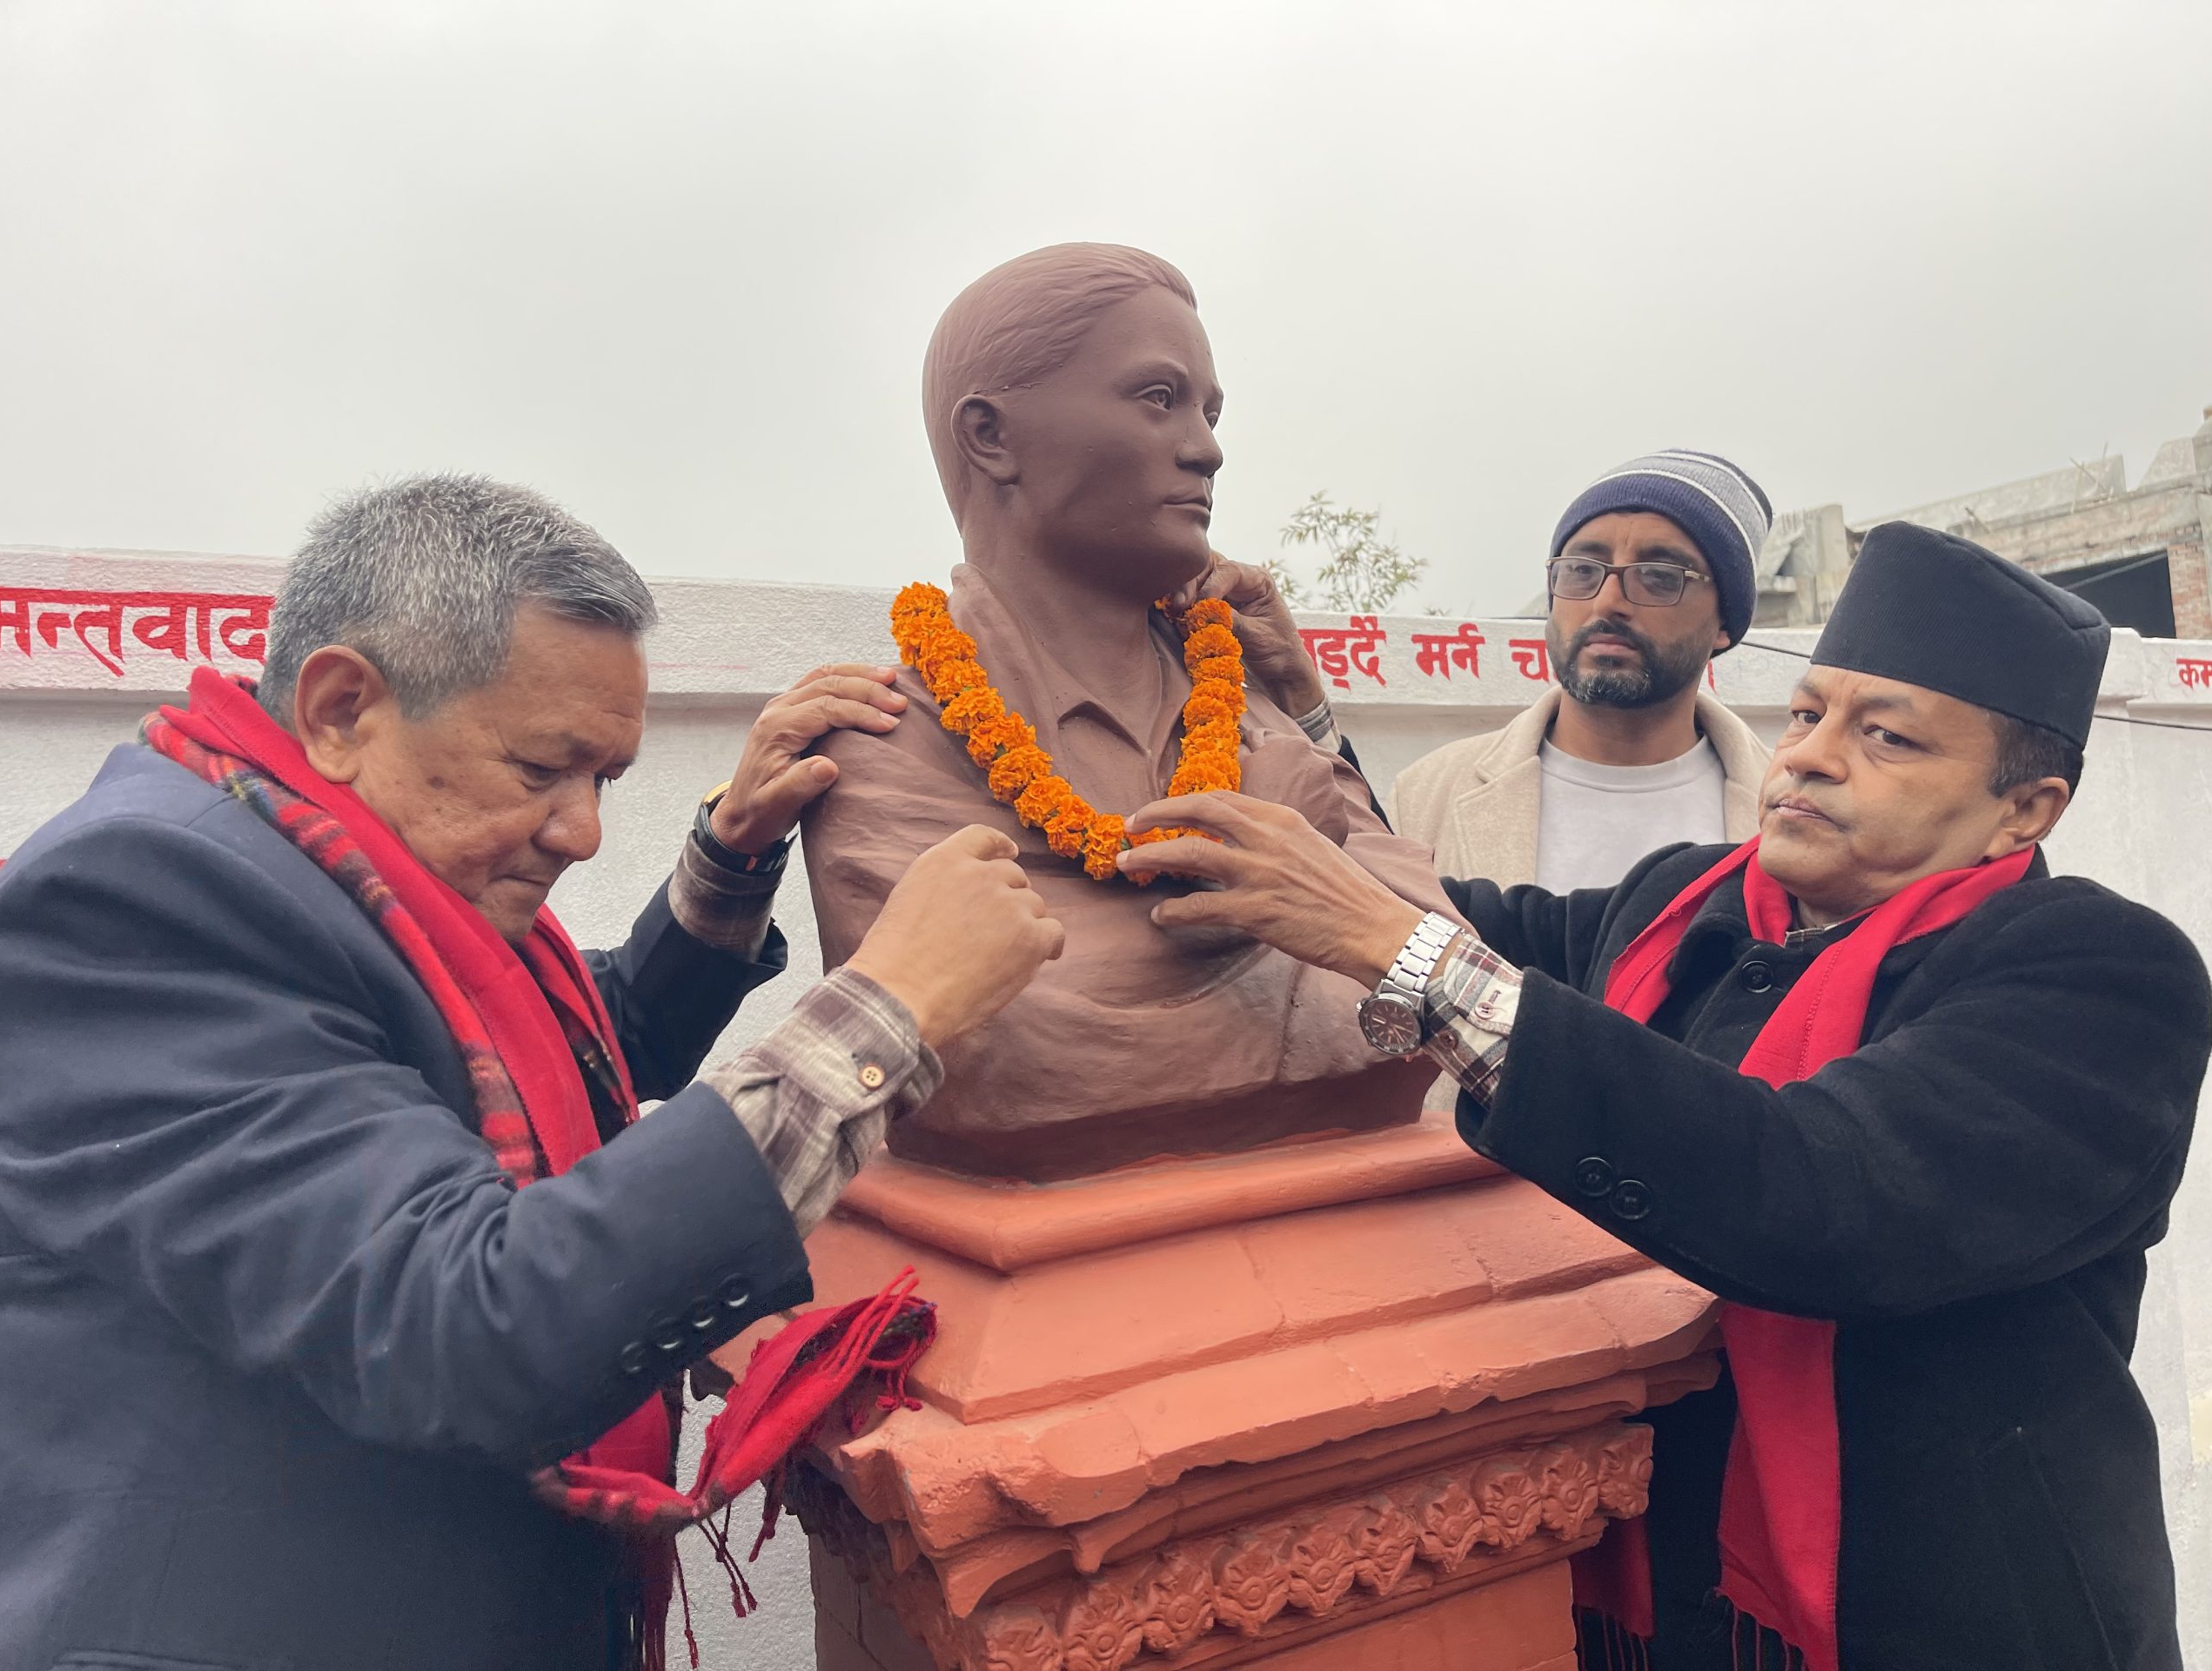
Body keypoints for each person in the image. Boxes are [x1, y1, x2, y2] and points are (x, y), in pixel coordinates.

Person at [0, 476, 1063, 1671]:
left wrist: (729, 855)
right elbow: (465, 1321)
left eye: (605, 778)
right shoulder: (140, 904)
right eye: (545, 768)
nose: (584, 829)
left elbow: (573, 1052)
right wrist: (885, 1013)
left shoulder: (342, 869)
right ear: (343, 707)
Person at [1116, 520, 2209, 1670]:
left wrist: (1412, 958)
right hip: (1656, 1601)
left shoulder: (2098, 976)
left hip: (1947, 1615)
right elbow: (1430, 910)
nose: (1812, 757)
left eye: (1885, 737)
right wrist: (1302, 725)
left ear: (2023, 810)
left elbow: (1817, 1190)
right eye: (1807, 715)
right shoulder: (1683, 904)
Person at [801, 243, 1451, 1180]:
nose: (1207, 448)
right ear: (990, 436)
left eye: (1211, 411)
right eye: (1158, 398)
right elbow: (989, 1057)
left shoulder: (1257, 712)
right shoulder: (884, 737)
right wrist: (1291, 913)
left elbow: (1451, 959)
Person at [1389, 450, 1773, 888]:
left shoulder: (1794, 805)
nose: (1606, 602)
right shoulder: (1428, 794)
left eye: (1660, 576)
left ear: (1724, 622)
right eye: (1580, 571)